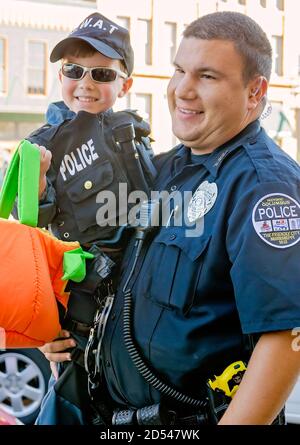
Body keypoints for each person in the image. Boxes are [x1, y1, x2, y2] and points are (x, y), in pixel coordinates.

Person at [42, 11, 300, 425]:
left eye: (207, 76)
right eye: (179, 70)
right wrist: (54, 332)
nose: (183, 90)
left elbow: (285, 337)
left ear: (255, 92)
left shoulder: (263, 187)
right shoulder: (160, 169)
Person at [18, 12, 155, 425]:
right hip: (81, 313)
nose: (86, 84)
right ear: (60, 74)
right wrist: (37, 183)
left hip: (140, 306)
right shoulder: (40, 146)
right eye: (74, 70)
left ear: (125, 85)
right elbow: (27, 233)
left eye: (102, 74)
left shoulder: (130, 132)